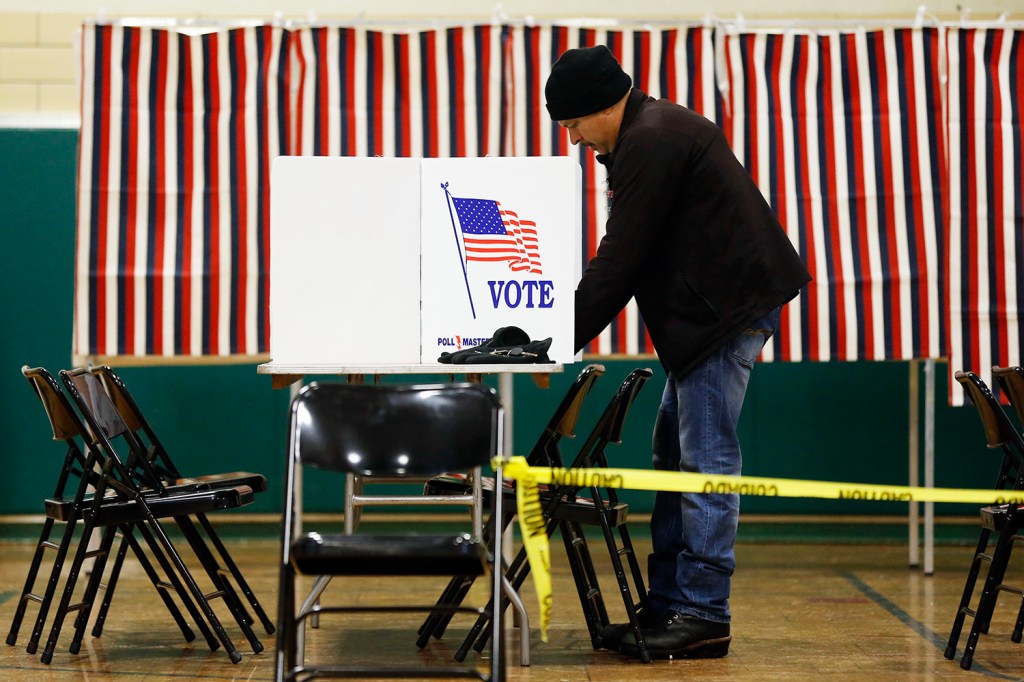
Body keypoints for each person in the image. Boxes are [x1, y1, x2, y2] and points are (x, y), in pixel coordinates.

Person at [544, 45, 811, 660]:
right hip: (708, 318)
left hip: (723, 315)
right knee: (674, 452)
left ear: (602, 107)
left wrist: (557, 341)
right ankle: (668, 604)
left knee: (706, 459)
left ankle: (702, 613)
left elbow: (622, 256)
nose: (575, 138)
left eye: (574, 124)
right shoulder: (648, 130)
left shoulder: (653, 139)